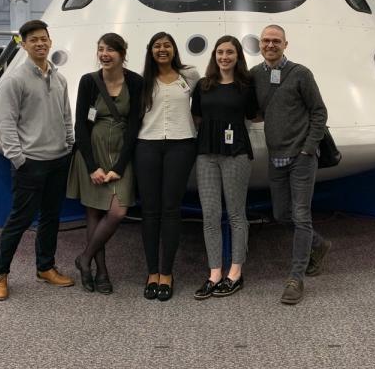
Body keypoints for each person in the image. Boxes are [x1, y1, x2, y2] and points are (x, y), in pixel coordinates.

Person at [0, 19, 75, 301]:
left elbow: (66, 116)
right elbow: (5, 123)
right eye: (34, 39)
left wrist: (69, 144)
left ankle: (45, 267)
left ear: (50, 42)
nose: (40, 43)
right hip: (30, 163)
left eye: (44, 39)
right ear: (24, 45)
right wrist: (18, 158)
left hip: (58, 159)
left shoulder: (59, 78)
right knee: (20, 220)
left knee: (51, 217)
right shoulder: (15, 80)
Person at [250, 24, 331, 305]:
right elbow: (254, 109)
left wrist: (309, 148)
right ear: (260, 45)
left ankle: (296, 278)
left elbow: (319, 111)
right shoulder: (255, 75)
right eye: (265, 41)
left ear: (286, 44)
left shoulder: (300, 74)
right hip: (276, 156)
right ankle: (319, 245)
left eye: (276, 41)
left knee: (300, 214)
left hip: (301, 157)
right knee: (281, 213)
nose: (270, 45)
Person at [67, 33, 143, 294]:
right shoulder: (89, 81)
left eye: (110, 50)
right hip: (93, 152)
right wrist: (91, 166)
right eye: (100, 49)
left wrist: (119, 167)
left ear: (122, 53)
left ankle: (84, 258)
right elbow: (81, 125)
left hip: (121, 153)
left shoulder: (135, 81)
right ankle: (101, 272)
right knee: (94, 212)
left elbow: (134, 125)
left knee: (117, 211)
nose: (104, 54)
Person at [191, 35, 258, 300]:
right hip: (206, 154)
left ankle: (236, 272)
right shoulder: (204, 85)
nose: (224, 57)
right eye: (220, 52)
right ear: (214, 56)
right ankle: (215, 273)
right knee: (209, 215)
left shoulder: (245, 86)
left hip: (236, 154)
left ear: (238, 56)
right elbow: (196, 116)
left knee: (236, 214)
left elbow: (253, 114)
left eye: (230, 52)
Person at [135, 32, 200, 301]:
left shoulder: (190, 75)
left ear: (174, 49)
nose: (162, 50)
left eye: (167, 45)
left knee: (171, 209)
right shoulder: (141, 81)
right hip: (147, 145)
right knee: (150, 211)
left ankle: (167, 272)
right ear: (150, 51)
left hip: (181, 145)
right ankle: (152, 272)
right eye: (157, 46)